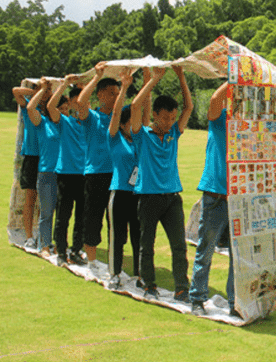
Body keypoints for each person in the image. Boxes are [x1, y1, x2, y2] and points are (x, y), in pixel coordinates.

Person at [130, 66, 193, 301]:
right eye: (165, 117)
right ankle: (149, 285)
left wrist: (181, 76)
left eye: (172, 118)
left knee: (179, 246)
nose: (169, 122)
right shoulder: (142, 135)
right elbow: (136, 106)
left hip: (172, 198)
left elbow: (189, 107)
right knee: (147, 244)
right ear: (155, 114)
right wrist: (154, 80)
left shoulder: (173, 134)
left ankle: (181, 288)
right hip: (148, 197)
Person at [190, 81, 237, 316]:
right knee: (206, 250)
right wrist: (233, 78)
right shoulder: (219, 118)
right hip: (215, 193)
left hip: (239, 198)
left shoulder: (248, 125)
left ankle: (234, 302)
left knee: (238, 256)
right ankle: (197, 298)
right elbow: (213, 102)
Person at [77, 62, 122, 271]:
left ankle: (114, 260)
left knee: (116, 220)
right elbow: (80, 102)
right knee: (93, 217)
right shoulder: (92, 117)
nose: (115, 97)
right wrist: (96, 77)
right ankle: (92, 261)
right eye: (111, 93)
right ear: (101, 95)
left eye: (118, 93)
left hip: (117, 176)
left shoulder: (120, 119)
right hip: (96, 174)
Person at [106, 69, 145, 289]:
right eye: (131, 121)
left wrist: (149, 80)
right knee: (117, 237)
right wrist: (124, 87)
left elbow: (143, 110)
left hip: (138, 194)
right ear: (122, 124)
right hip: (119, 193)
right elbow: (115, 113)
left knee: (138, 238)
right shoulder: (114, 138)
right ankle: (114, 274)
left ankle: (140, 275)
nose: (135, 125)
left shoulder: (140, 139)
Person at [49, 74, 88, 266]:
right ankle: (62, 252)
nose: (82, 103)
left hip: (85, 175)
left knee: (81, 216)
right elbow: (50, 107)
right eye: (79, 100)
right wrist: (64, 84)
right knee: (63, 215)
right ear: (72, 102)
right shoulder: (65, 121)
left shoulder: (91, 122)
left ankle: (76, 251)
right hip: (66, 174)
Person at [26, 79, 63, 258]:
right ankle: (44, 245)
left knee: (60, 213)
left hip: (64, 173)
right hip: (46, 173)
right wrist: (42, 89)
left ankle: (54, 242)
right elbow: (30, 108)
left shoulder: (63, 124)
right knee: (47, 212)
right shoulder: (42, 124)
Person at [12, 83, 42, 249]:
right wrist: (38, 91)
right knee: (30, 198)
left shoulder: (51, 106)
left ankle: (43, 235)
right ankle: (29, 236)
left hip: (48, 158)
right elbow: (16, 91)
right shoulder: (30, 103)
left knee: (47, 200)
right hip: (31, 156)